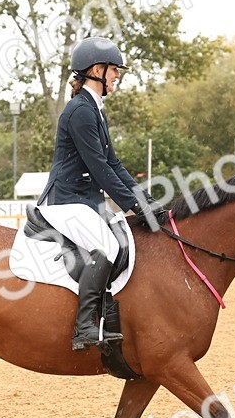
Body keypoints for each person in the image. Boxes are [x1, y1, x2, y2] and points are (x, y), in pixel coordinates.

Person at [37, 36, 167, 351]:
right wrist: (134, 206)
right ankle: (84, 328)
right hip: (65, 201)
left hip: (85, 201)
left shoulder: (95, 109)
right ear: (97, 69)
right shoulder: (80, 110)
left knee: (122, 241)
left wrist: (147, 203)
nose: (117, 75)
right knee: (107, 247)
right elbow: (99, 169)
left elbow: (113, 164)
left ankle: (107, 315)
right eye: (113, 69)